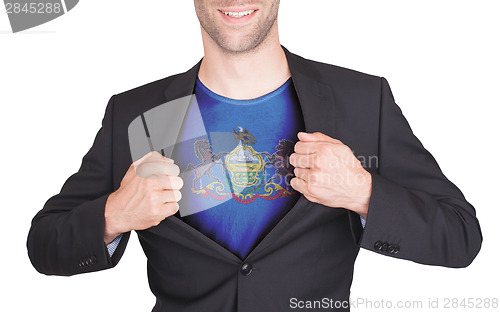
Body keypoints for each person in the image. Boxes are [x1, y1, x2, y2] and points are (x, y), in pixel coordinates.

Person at [27, 1, 482, 311]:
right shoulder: (137, 113)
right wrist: (114, 214)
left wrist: (363, 192)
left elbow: (460, 236)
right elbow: (44, 245)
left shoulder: (361, 101)